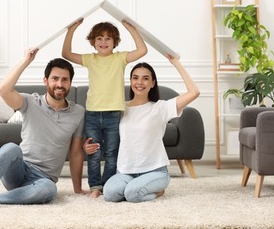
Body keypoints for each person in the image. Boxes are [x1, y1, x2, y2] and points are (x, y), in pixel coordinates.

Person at [0, 49, 89, 213]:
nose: (59, 84)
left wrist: (78, 189)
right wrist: (26, 61)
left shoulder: (78, 112)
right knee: (11, 147)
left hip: (44, 179)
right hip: (19, 170)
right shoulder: (31, 102)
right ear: (45, 80)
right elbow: (3, 89)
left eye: (65, 80)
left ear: (70, 83)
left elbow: (75, 153)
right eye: (55, 79)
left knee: (50, 190)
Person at [84, 54, 200, 203]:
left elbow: (194, 92)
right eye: (135, 77)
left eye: (145, 78)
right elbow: (105, 135)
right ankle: (136, 187)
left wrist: (176, 63)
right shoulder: (119, 108)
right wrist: (86, 146)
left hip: (155, 171)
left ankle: (158, 190)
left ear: (152, 83)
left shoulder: (160, 108)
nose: (140, 82)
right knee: (110, 194)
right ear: (131, 81)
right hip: (126, 171)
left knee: (133, 194)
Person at [62, 19, 148, 198]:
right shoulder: (90, 59)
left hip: (114, 114)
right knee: (94, 152)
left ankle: (107, 186)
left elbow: (142, 50)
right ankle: (95, 187)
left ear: (115, 42)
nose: (103, 42)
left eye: (108, 38)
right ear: (93, 41)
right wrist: (72, 29)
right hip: (92, 114)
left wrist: (130, 28)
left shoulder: (119, 58)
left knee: (111, 153)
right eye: (99, 38)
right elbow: (66, 53)